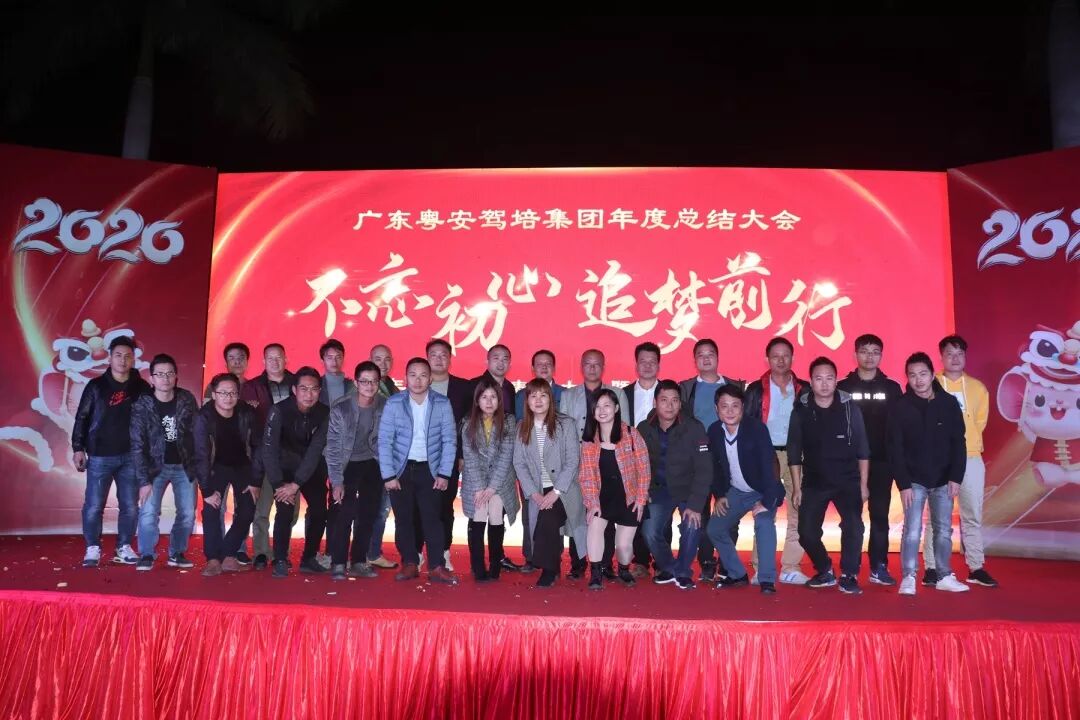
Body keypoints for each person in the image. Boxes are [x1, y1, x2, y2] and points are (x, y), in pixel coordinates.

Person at [787, 357, 870, 595]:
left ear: (836, 380)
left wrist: (864, 484)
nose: (824, 384)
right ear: (811, 381)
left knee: (854, 526)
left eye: (829, 378)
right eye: (818, 379)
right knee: (806, 532)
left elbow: (863, 448)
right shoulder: (801, 409)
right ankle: (825, 569)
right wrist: (797, 488)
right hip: (814, 480)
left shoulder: (850, 407)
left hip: (848, 479)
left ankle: (849, 574)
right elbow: (794, 451)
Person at [890, 352, 970, 595]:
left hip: (944, 479)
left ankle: (944, 575)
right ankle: (908, 577)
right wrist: (903, 484)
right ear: (907, 377)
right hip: (913, 480)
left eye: (923, 374)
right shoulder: (900, 406)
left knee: (944, 530)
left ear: (932, 374)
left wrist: (956, 477)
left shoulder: (948, 403)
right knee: (912, 530)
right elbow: (895, 448)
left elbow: (959, 442)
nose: (918, 380)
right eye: (912, 375)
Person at [923, 335, 997, 588]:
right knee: (936, 517)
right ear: (941, 357)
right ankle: (931, 567)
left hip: (970, 456)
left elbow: (979, 422)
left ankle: (976, 567)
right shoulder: (930, 384)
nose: (955, 359)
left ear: (965, 356)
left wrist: (966, 445)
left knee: (972, 515)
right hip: (937, 459)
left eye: (959, 354)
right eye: (949, 354)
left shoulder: (978, 388)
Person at [378, 357, 459, 585]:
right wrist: (388, 475)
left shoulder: (442, 403)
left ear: (430, 378)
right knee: (404, 519)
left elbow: (449, 440)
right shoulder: (394, 403)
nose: (418, 380)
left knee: (433, 520)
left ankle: (436, 566)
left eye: (423, 375)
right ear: (405, 378)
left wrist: (444, 473)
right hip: (401, 470)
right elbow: (384, 441)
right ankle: (410, 563)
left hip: (430, 470)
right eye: (412, 375)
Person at [72, 335, 151, 567]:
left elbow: (151, 420)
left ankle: (123, 546)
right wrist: (78, 448)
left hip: (131, 456)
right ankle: (92, 547)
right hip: (99, 455)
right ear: (109, 358)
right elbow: (82, 417)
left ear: (133, 359)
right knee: (94, 506)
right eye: (118, 355)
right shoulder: (96, 386)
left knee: (129, 506)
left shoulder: (141, 387)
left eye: (128, 356)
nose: (123, 360)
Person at [707, 384, 785, 595]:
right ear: (716, 409)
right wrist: (720, 495)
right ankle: (737, 574)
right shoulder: (714, 431)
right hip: (736, 491)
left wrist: (767, 501)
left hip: (762, 489)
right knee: (714, 529)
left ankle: (767, 579)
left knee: (764, 522)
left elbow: (769, 465)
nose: (730, 411)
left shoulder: (756, 429)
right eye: (724, 406)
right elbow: (715, 467)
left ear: (743, 408)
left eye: (735, 406)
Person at [637, 380, 712, 590]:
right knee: (649, 531)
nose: (669, 406)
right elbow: (638, 464)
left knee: (692, 524)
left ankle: (683, 571)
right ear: (655, 402)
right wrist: (643, 491)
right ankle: (671, 567)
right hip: (659, 490)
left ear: (680, 403)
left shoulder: (694, 428)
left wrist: (695, 505)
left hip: (688, 489)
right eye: (664, 400)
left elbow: (705, 469)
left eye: (674, 400)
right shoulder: (644, 428)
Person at [513, 378, 585, 588]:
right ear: (527, 401)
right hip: (537, 490)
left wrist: (556, 491)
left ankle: (549, 570)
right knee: (544, 518)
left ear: (551, 399)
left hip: (565, 489)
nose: (538, 400)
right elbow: (519, 463)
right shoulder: (521, 428)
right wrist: (533, 493)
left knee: (548, 518)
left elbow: (572, 461)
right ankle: (550, 566)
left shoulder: (566, 424)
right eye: (533, 396)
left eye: (543, 395)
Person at [131, 353, 198, 570]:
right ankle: (147, 554)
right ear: (151, 378)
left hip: (184, 466)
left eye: (170, 373)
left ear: (176, 376)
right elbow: (137, 443)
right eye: (160, 374)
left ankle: (176, 553)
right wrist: (143, 480)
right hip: (155, 467)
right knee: (149, 512)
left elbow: (198, 432)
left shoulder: (186, 399)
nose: (165, 378)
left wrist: (198, 463)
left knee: (187, 514)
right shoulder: (143, 404)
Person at [579, 389, 650, 590]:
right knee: (594, 528)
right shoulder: (589, 440)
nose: (602, 411)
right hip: (601, 497)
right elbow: (586, 475)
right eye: (597, 407)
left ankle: (624, 569)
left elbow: (644, 468)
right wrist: (592, 503)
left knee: (624, 546)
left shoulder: (632, 434)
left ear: (616, 408)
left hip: (629, 497)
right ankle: (595, 573)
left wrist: (641, 499)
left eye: (607, 406)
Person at [263, 367, 330, 578]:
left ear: (320, 391)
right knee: (285, 510)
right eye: (303, 389)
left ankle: (309, 558)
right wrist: (278, 484)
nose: (309, 394)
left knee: (319, 511)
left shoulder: (324, 413)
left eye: (314, 389)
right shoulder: (279, 410)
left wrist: (297, 483)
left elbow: (315, 450)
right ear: (294, 390)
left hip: (311, 468)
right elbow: (269, 449)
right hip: (283, 468)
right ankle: (280, 559)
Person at [193, 374, 262, 576]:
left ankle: (228, 553)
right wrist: (206, 490)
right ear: (214, 394)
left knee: (248, 510)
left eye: (232, 393)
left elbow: (258, 447)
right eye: (223, 393)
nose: (228, 397)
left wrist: (256, 480)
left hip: (243, 466)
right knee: (211, 509)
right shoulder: (203, 417)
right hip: (216, 467)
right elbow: (200, 453)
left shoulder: (247, 412)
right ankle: (213, 559)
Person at [324, 361, 385, 581]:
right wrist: (336, 481)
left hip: (373, 463)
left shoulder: (385, 405)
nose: (369, 386)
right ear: (356, 383)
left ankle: (359, 561)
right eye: (364, 381)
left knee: (368, 513)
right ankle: (338, 562)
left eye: (374, 381)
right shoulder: (341, 408)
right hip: (346, 463)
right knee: (344, 512)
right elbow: (333, 447)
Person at [460, 377, 519, 582]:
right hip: (475, 481)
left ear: (499, 400)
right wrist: (480, 489)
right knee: (478, 513)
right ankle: (478, 567)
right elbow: (470, 458)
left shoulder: (509, 422)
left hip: (500, 481)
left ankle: (495, 565)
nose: (489, 401)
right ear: (477, 400)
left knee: (495, 513)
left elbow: (506, 457)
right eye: (484, 397)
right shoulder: (468, 422)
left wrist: (491, 488)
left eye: (493, 397)